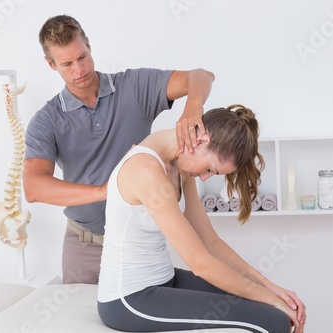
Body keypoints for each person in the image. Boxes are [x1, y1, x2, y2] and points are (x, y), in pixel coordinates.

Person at [23, 15, 215, 284]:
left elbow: (201, 76)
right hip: (84, 247)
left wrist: (193, 106)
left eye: (82, 57)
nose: (79, 70)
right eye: (67, 64)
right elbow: (34, 188)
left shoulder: (134, 87)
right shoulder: (47, 120)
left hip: (140, 242)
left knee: (144, 320)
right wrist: (106, 190)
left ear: (89, 44)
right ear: (51, 64)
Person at [97, 105, 307, 333]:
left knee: (272, 310)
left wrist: (269, 288)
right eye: (210, 168)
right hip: (129, 298)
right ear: (201, 140)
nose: (205, 178)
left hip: (164, 279)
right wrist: (272, 300)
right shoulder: (146, 170)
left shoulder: (180, 165)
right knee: (273, 322)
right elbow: (201, 264)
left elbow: (210, 242)